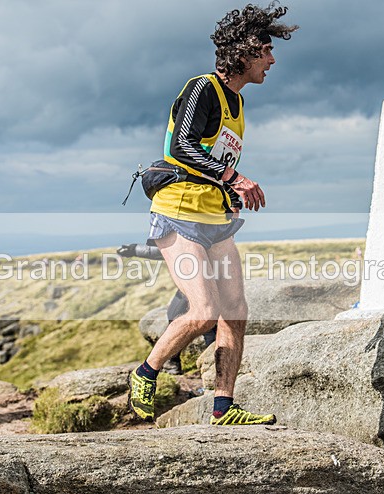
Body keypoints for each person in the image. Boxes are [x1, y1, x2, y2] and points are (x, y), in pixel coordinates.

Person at [127, 3, 297, 425]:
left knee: (235, 311)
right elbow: (179, 148)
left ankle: (223, 407)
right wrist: (233, 176)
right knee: (202, 311)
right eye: (265, 50)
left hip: (215, 221)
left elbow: (208, 161)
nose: (272, 60)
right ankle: (145, 372)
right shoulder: (202, 88)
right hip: (177, 215)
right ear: (243, 52)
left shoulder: (238, 104)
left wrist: (228, 193)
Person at [117, 243, 218, 375]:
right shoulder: (211, 232)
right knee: (206, 325)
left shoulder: (194, 234)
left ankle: (175, 364)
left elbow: (164, 250)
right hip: (202, 281)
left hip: (197, 283)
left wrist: (133, 250)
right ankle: (214, 366)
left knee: (178, 318)